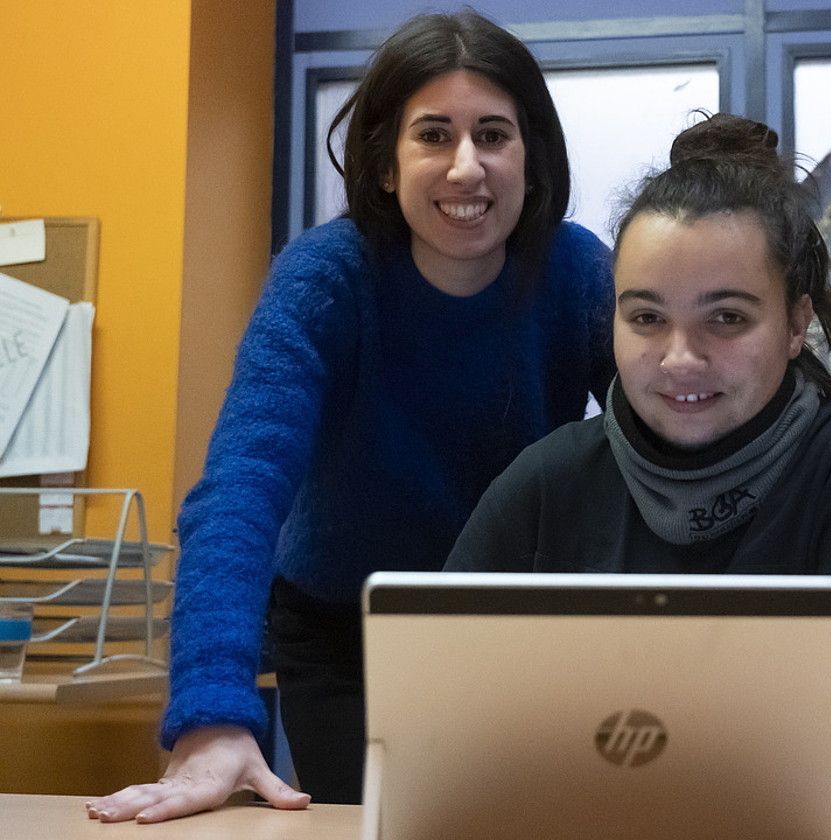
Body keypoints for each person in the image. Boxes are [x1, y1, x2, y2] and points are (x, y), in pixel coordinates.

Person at [86, 10, 614, 824]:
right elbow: (239, 488)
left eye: (494, 136)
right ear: (382, 164)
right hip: (346, 631)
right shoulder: (327, 277)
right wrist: (213, 712)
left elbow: (677, 432)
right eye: (434, 135)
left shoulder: (578, 271)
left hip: (523, 628)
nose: (466, 168)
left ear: (532, 159)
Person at [443, 114, 831, 822]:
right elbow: (444, 731)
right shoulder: (549, 482)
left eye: (726, 319)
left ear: (795, 325)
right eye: (645, 318)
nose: (680, 358)